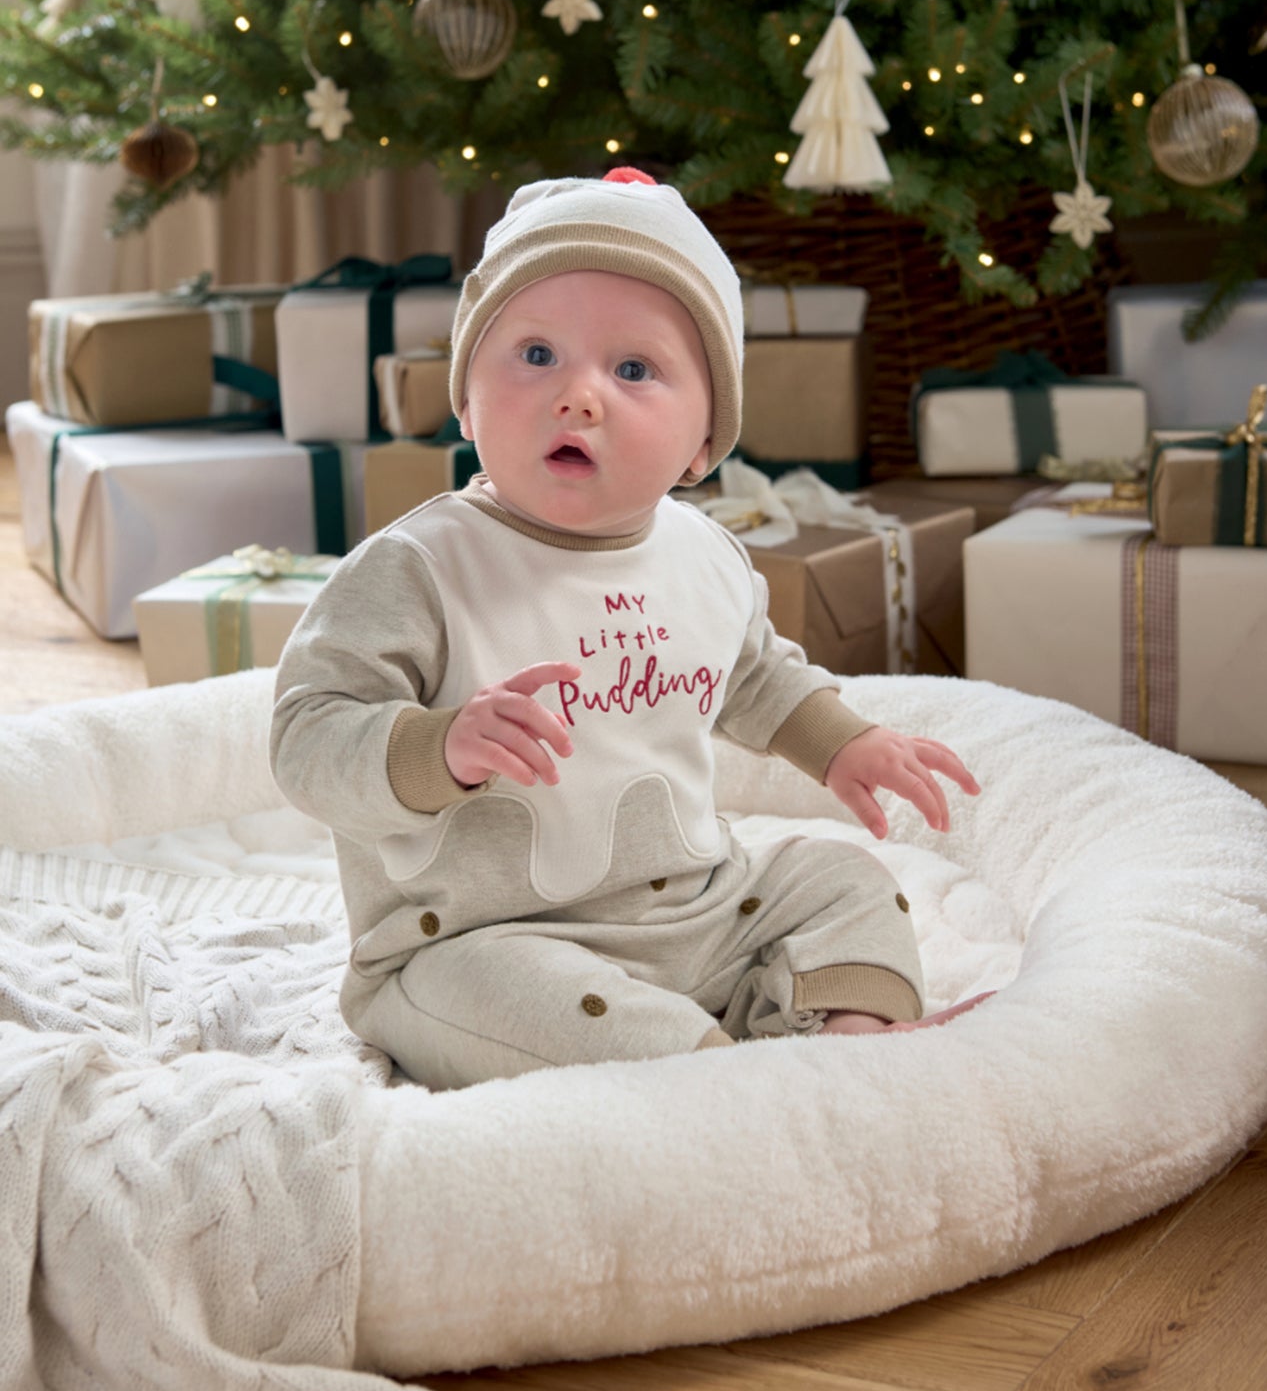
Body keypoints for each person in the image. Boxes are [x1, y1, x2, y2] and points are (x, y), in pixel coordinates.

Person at [271, 169, 985, 1090]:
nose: (579, 396)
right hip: (482, 941)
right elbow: (304, 737)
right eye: (535, 355)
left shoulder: (706, 556)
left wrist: (842, 744)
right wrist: (439, 747)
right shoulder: (421, 568)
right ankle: (728, 1083)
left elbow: (754, 674)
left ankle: (848, 1040)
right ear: (466, 396)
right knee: (505, 995)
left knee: (846, 881)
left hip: (699, 913)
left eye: (634, 370)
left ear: (701, 447)